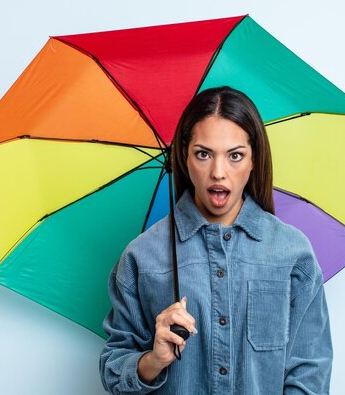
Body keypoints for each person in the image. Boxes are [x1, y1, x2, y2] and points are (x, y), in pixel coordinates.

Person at [100, 86, 332, 394]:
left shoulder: (293, 253)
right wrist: (154, 360)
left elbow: (310, 373)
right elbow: (114, 373)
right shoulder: (142, 257)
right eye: (203, 154)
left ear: (254, 161)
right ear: (184, 157)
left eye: (235, 156)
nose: (218, 172)